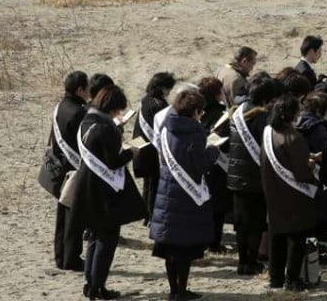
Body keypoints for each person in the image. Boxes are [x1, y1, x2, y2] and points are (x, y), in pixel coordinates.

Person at [66, 85, 147, 300]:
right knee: (107, 240)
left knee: (94, 237)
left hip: (88, 188)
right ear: (112, 107)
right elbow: (113, 162)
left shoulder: (87, 122)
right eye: (117, 109)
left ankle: (90, 283)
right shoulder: (105, 127)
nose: (118, 114)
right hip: (105, 192)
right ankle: (98, 286)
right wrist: (131, 151)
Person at [149, 89, 221, 301]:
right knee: (185, 249)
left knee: (170, 247)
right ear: (196, 111)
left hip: (167, 190)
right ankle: (181, 290)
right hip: (188, 196)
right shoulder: (196, 133)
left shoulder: (166, 128)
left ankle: (173, 290)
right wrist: (214, 151)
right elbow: (200, 165)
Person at [261, 94, 320, 292]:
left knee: (276, 236)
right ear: (292, 113)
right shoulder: (294, 137)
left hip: (272, 190)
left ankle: (275, 278)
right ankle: (292, 279)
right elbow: (302, 173)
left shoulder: (268, 132)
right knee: (296, 238)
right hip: (294, 193)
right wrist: (312, 164)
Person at [227, 74, 280, 276]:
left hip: (236, 176)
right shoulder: (263, 118)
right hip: (256, 177)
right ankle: (251, 262)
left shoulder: (237, 112)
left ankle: (242, 262)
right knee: (256, 223)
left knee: (241, 223)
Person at [41, 70, 89, 271]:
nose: (89, 92)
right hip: (72, 169)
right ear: (79, 89)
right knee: (73, 217)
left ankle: (61, 256)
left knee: (63, 216)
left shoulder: (60, 106)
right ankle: (71, 258)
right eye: (87, 88)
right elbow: (84, 141)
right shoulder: (79, 112)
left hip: (59, 167)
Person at [134, 72, 176, 223]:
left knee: (148, 184)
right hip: (152, 150)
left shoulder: (146, 100)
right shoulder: (159, 105)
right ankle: (151, 216)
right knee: (154, 185)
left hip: (142, 148)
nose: (169, 92)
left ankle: (146, 214)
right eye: (168, 88)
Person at [296, 93, 327, 247]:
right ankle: (320, 245)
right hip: (319, 176)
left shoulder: (294, 124)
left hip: (299, 174)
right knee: (321, 213)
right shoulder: (319, 128)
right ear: (322, 110)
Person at [197, 77, 230, 254]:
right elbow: (226, 142)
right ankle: (214, 242)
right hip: (218, 163)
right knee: (217, 206)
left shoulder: (197, 112)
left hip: (203, 162)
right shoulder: (221, 115)